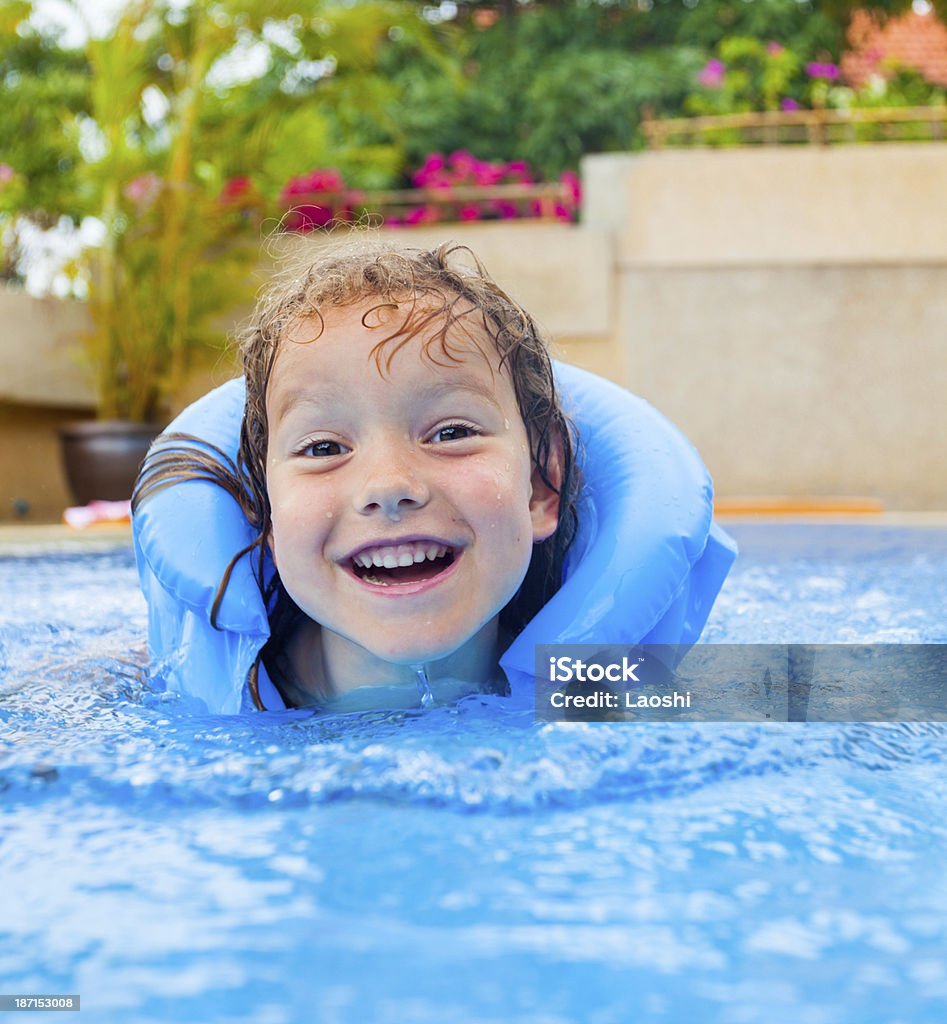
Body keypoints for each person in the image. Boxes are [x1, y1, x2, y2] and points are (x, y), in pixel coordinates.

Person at [133, 238, 581, 711]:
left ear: (538, 484)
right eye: (323, 448)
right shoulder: (164, 690)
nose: (389, 486)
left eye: (451, 433)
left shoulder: (608, 686)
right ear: (265, 510)